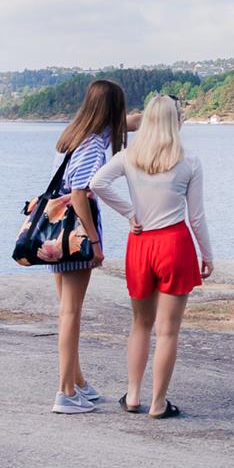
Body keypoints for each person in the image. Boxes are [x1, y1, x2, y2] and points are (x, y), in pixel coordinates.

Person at [89, 94, 212, 419]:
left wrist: (130, 212)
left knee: (140, 324)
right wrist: (207, 253)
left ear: (147, 120)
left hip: (141, 245)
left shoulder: (129, 157)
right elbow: (196, 217)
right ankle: (158, 403)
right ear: (175, 122)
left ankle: (132, 395)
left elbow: (97, 182)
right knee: (168, 331)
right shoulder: (189, 162)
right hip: (174, 244)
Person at [46, 79, 136, 414]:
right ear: (112, 109)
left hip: (56, 229)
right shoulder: (93, 145)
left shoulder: (72, 133)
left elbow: (130, 122)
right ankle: (65, 392)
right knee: (71, 313)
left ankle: (78, 381)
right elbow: (81, 193)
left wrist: (155, 114)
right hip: (75, 231)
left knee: (65, 310)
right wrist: (95, 242)